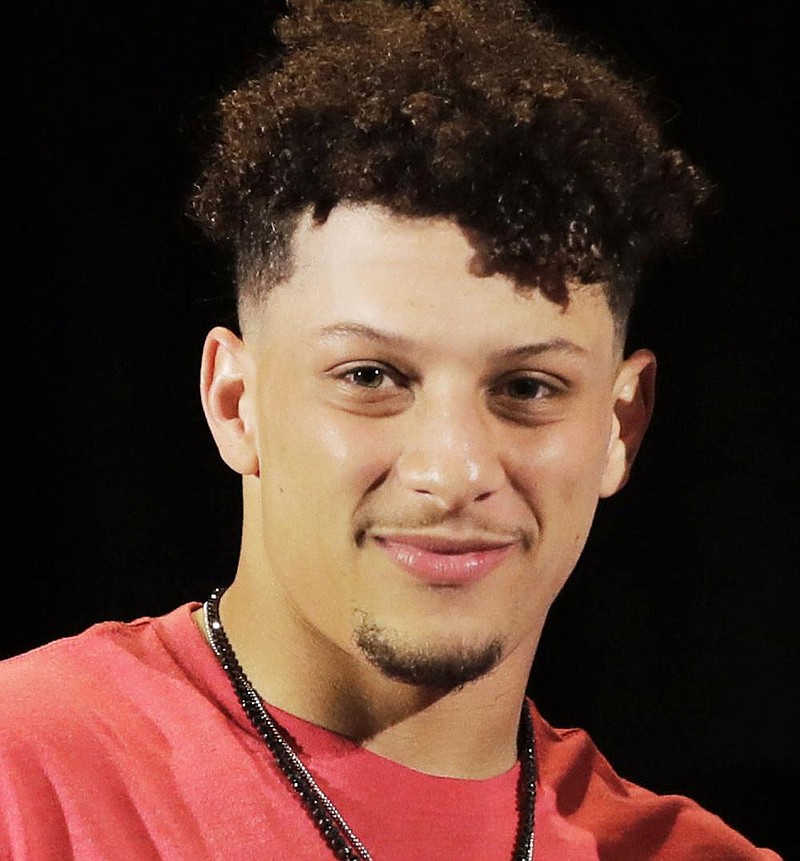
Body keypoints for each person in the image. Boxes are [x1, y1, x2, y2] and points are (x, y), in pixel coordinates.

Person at [1, 1, 783, 859]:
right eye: (370, 377)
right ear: (235, 403)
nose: (452, 471)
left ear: (621, 425)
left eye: (527, 386)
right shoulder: (25, 771)